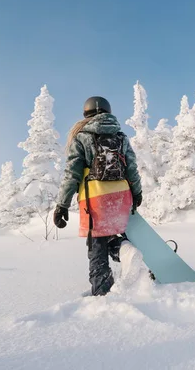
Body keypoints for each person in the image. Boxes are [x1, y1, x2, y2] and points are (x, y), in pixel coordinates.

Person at [53, 96, 143, 296]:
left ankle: (102, 294)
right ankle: (124, 249)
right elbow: (132, 168)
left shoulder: (81, 137)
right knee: (112, 233)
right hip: (121, 196)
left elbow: (72, 174)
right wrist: (137, 192)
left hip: (95, 198)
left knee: (97, 245)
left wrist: (62, 205)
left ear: (86, 114)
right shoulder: (121, 137)